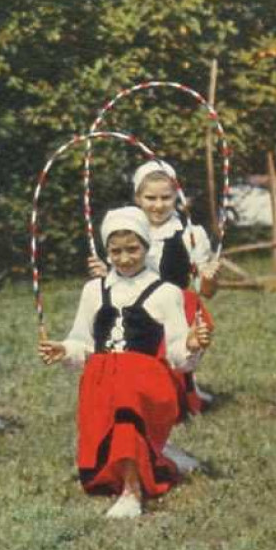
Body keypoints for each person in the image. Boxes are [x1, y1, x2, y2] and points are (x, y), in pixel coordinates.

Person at [41, 206, 211, 519]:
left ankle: (132, 490)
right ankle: (156, 458)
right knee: (115, 388)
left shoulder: (166, 292)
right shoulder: (94, 290)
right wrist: (64, 350)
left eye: (132, 250)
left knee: (126, 389)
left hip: (146, 381)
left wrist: (191, 345)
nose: (124, 259)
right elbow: (83, 341)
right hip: (102, 380)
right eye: (115, 251)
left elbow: (177, 355)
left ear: (146, 247)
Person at [89, 159, 220, 421]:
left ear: (177, 197)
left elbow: (205, 290)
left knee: (173, 350)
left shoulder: (189, 234)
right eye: (150, 198)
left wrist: (208, 277)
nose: (158, 205)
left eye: (166, 198)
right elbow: (119, 275)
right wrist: (104, 275)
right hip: (136, 306)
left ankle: (177, 398)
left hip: (178, 305)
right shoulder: (126, 232)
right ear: (138, 197)